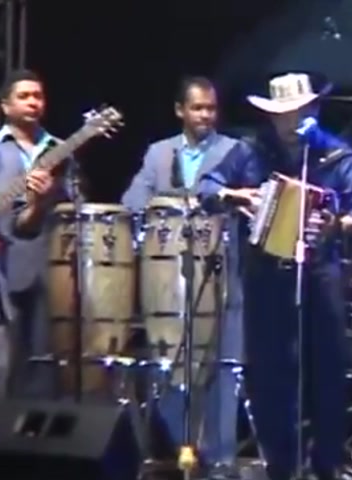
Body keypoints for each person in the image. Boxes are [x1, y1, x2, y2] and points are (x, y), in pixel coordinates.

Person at [197, 73, 352, 480]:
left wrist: (339, 223)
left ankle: (326, 464)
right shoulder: (250, 152)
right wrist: (235, 196)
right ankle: (281, 466)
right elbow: (206, 187)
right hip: (265, 275)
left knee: (326, 372)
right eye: (283, 113)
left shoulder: (337, 156)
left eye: (299, 111)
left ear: (313, 109)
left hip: (320, 274)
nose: (291, 120)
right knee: (268, 375)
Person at [120, 76, 242, 478]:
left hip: (223, 272)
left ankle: (222, 460)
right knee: (169, 366)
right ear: (180, 111)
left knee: (222, 366)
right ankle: (187, 450)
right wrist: (162, 206)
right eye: (198, 108)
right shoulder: (159, 153)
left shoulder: (235, 151)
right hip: (168, 278)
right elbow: (132, 201)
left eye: (211, 108)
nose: (206, 115)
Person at [0, 69, 71, 399]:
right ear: (5, 106)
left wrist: (50, 196)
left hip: (46, 258)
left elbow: (74, 201)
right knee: (2, 353)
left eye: (38, 96)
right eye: (24, 96)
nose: (33, 102)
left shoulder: (60, 149)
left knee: (41, 353)